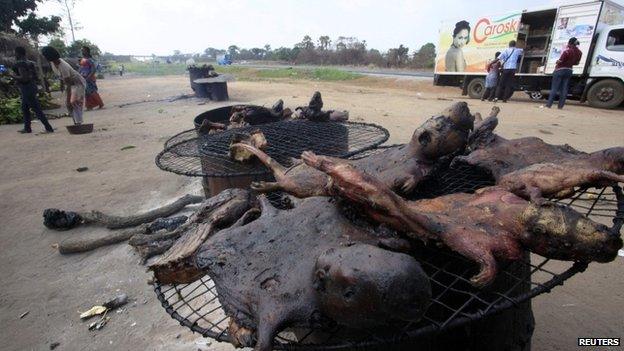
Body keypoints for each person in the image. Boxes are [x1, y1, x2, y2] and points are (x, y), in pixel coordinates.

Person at [10, 46, 54, 134]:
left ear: (18, 53)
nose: (14, 54)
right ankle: (27, 128)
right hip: (32, 87)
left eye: (15, 53)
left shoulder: (20, 63)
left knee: (36, 109)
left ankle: (48, 127)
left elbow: (24, 78)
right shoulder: (31, 63)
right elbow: (35, 77)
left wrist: (12, 75)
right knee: (25, 108)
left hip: (26, 88)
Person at [41, 46, 86, 125]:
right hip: (71, 83)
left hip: (78, 83)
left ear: (49, 56)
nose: (44, 58)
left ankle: (79, 122)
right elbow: (62, 77)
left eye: (44, 56)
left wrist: (68, 99)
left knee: (74, 102)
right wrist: (62, 85)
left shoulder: (63, 66)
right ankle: (76, 121)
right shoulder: (53, 63)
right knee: (70, 103)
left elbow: (68, 84)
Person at [545, 37, 582, 109]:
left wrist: (557, 62)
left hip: (560, 70)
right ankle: (560, 106)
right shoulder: (580, 53)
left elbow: (560, 61)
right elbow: (577, 63)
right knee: (564, 89)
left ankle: (548, 105)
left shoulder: (567, 51)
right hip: (569, 71)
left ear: (569, 43)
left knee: (554, 88)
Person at [79, 46, 104, 110]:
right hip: (83, 78)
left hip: (89, 78)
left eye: (83, 50)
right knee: (86, 93)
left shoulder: (90, 59)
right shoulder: (83, 59)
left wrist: (88, 77)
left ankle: (100, 103)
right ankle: (89, 106)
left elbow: (93, 69)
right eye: (82, 50)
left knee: (92, 91)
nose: (82, 52)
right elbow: (81, 68)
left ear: (87, 51)